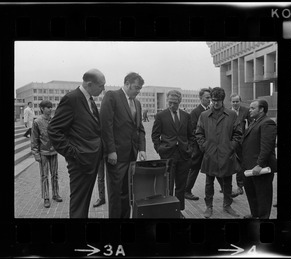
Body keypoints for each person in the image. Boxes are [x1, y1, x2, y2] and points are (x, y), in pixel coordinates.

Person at [48, 68, 105, 218]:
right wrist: (73, 154)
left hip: (90, 160)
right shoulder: (72, 99)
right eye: (101, 85)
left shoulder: (89, 99)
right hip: (80, 162)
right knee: (79, 205)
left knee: (84, 202)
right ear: (89, 83)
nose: (103, 89)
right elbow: (54, 130)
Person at [100, 72, 146, 218]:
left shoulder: (137, 103)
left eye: (140, 88)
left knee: (127, 192)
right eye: (136, 87)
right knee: (116, 193)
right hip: (117, 156)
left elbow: (139, 129)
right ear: (127, 83)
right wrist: (111, 150)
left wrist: (142, 149)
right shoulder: (112, 96)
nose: (138, 91)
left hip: (131, 155)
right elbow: (106, 125)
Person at [195, 87, 242, 218]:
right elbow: (198, 133)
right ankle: (208, 207)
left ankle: (227, 205)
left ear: (223, 100)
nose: (215, 103)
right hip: (210, 154)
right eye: (213, 100)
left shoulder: (231, 115)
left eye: (218, 100)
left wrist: (231, 147)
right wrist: (204, 147)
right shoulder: (204, 115)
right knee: (209, 183)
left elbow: (238, 133)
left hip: (226, 154)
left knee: (227, 182)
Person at [152, 90, 193, 218]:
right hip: (168, 154)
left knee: (181, 185)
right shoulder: (161, 116)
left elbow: (191, 135)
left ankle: (178, 211)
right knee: (168, 184)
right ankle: (167, 211)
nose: (171, 105)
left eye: (174, 103)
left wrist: (190, 149)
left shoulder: (186, 116)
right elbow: (155, 135)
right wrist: (159, 148)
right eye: (169, 102)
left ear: (179, 102)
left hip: (183, 155)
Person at [241, 99, 277, 219]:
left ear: (261, 109)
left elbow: (266, 147)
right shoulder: (254, 122)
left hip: (260, 168)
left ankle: (263, 217)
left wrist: (259, 164)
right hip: (249, 167)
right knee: (252, 194)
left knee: (263, 196)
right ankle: (255, 214)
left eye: (252, 108)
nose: (249, 110)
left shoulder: (267, 123)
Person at [31, 100, 62, 208]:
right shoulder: (37, 122)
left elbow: (58, 135)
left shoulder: (54, 120)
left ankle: (55, 194)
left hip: (54, 152)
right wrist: (36, 153)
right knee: (44, 176)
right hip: (43, 152)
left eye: (51, 107)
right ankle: (46, 197)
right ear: (42, 109)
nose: (50, 109)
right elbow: (34, 139)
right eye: (48, 107)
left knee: (55, 175)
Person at [184, 88, 211, 201]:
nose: (209, 100)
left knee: (215, 167)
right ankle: (186, 190)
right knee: (194, 169)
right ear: (201, 98)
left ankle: (225, 190)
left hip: (210, 146)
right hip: (199, 147)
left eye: (210, 97)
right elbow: (193, 131)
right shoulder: (195, 112)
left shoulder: (212, 110)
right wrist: (202, 145)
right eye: (207, 98)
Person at [230, 93, 251, 198]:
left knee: (241, 163)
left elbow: (251, 125)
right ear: (231, 102)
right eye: (233, 101)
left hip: (242, 143)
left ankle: (240, 186)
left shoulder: (246, 111)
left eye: (237, 101)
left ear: (240, 101)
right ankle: (226, 187)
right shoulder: (228, 112)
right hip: (230, 143)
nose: (235, 103)